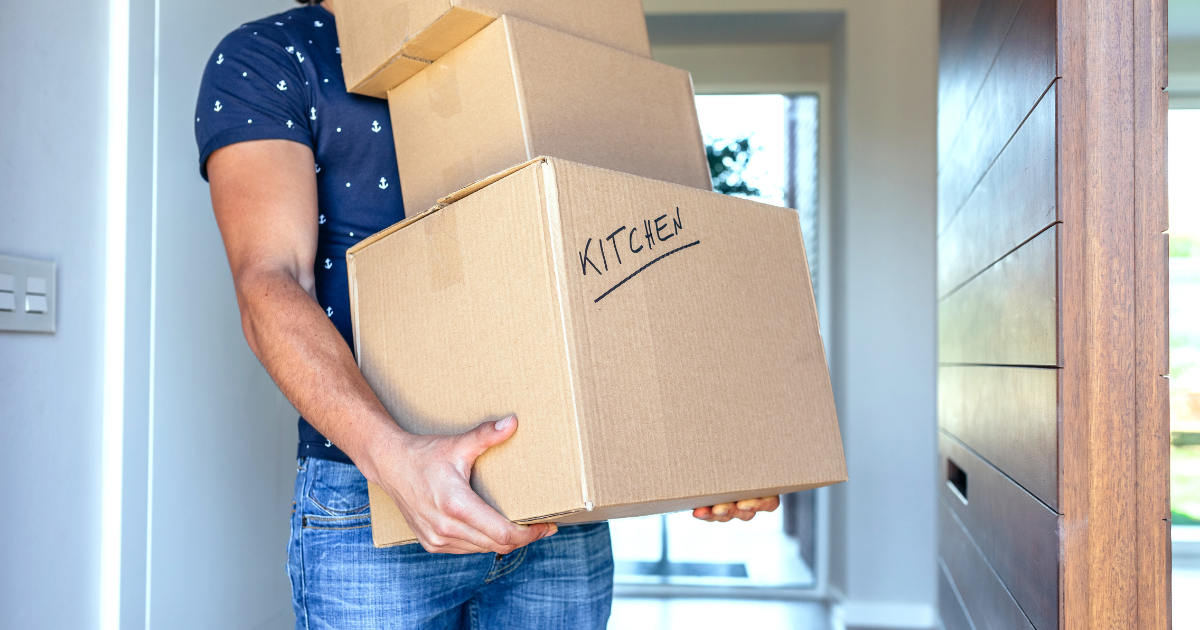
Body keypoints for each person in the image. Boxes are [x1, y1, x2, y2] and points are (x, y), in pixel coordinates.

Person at [195, 1, 781, 627]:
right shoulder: (275, 55)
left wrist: (716, 440)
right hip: (378, 498)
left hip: (557, 498)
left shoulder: (538, 39)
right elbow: (269, 280)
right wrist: (396, 459)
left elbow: (624, 252)